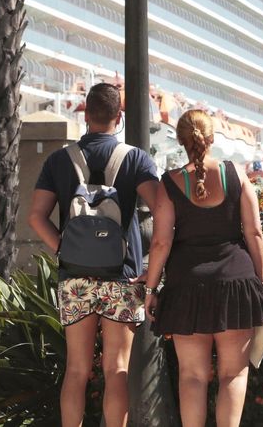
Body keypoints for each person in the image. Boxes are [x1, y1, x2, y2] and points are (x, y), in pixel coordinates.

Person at [27, 83, 167, 427]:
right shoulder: (135, 159)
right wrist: (156, 269)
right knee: (116, 369)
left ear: (85, 114)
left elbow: (35, 216)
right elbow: (163, 212)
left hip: (74, 277)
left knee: (75, 369)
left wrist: (63, 247)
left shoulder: (59, 160)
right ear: (118, 117)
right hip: (123, 276)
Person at [143, 110, 263, 427]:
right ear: (211, 138)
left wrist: (150, 289)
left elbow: (160, 243)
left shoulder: (169, 184)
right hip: (237, 283)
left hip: (186, 286)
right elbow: (254, 232)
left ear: (182, 141)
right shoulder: (235, 174)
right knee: (233, 373)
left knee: (192, 376)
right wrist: (261, 281)